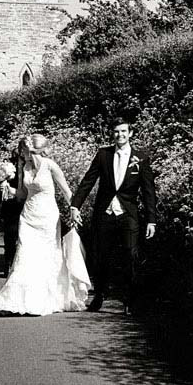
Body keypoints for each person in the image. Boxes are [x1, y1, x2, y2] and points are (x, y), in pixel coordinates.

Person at [0, 135, 90, 316]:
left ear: (32, 150)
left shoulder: (50, 166)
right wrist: (4, 185)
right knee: (24, 255)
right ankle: (13, 302)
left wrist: (74, 210)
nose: (20, 153)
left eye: (23, 150)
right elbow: (21, 194)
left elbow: (66, 191)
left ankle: (44, 300)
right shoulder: (23, 167)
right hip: (28, 217)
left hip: (47, 218)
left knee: (46, 257)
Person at [70, 118, 158, 315]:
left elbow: (148, 191)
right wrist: (75, 205)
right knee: (101, 256)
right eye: (117, 132)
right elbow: (88, 181)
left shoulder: (141, 158)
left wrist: (151, 219)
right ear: (113, 133)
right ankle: (100, 294)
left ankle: (130, 300)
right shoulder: (103, 154)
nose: (120, 135)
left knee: (131, 256)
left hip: (129, 214)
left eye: (124, 131)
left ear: (131, 133)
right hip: (105, 214)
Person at [0, 151, 23, 278]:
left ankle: (14, 262)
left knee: (18, 237)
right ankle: (8, 262)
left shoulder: (26, 170)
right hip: (9, 206)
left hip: (21, 204)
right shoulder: (6, 170)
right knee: (10, 237)